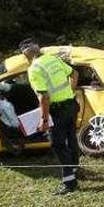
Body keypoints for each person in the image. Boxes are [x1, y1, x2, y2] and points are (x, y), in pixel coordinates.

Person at [20, 38, 80, 195]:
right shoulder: (53, 59)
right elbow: (75, 73)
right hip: (71, 105)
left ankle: (69, 183)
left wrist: (44, 120)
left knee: (58, 144)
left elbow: (44, 97)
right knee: (71, 138)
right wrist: (71, 92)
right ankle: (74, 170)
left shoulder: (34, 69)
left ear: (25, 55)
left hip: (57, 111)